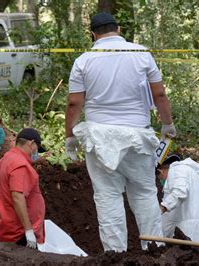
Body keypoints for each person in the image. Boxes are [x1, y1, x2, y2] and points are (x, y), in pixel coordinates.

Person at [64, 12, 176, 252]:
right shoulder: (141, 53)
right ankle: (154, 249)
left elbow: (74, 103)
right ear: (119, 28)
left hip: (99, 140)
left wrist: (70, 135)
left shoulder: (84, 60)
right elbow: (159, 94)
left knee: (107, 196)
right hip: (137, 138)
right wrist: (167, 123)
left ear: (93, 34)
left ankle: (115, 255)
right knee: (145, 194)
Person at [0, 128, 46, 249]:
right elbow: (17, 197)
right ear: (31, 144)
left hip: (2, 228)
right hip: (17, 235)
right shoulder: (20, 164)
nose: (36, 153)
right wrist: (29, 230)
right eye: (37, 149)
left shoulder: (1, 162)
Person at [157, 154, 199, 244]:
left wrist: (162, 208)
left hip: (187, 231)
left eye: (160, 178)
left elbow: (179, 193)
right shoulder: (193, 176)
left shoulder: (177, 170)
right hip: (198, 231)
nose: (162, 181)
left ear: (160, 171)